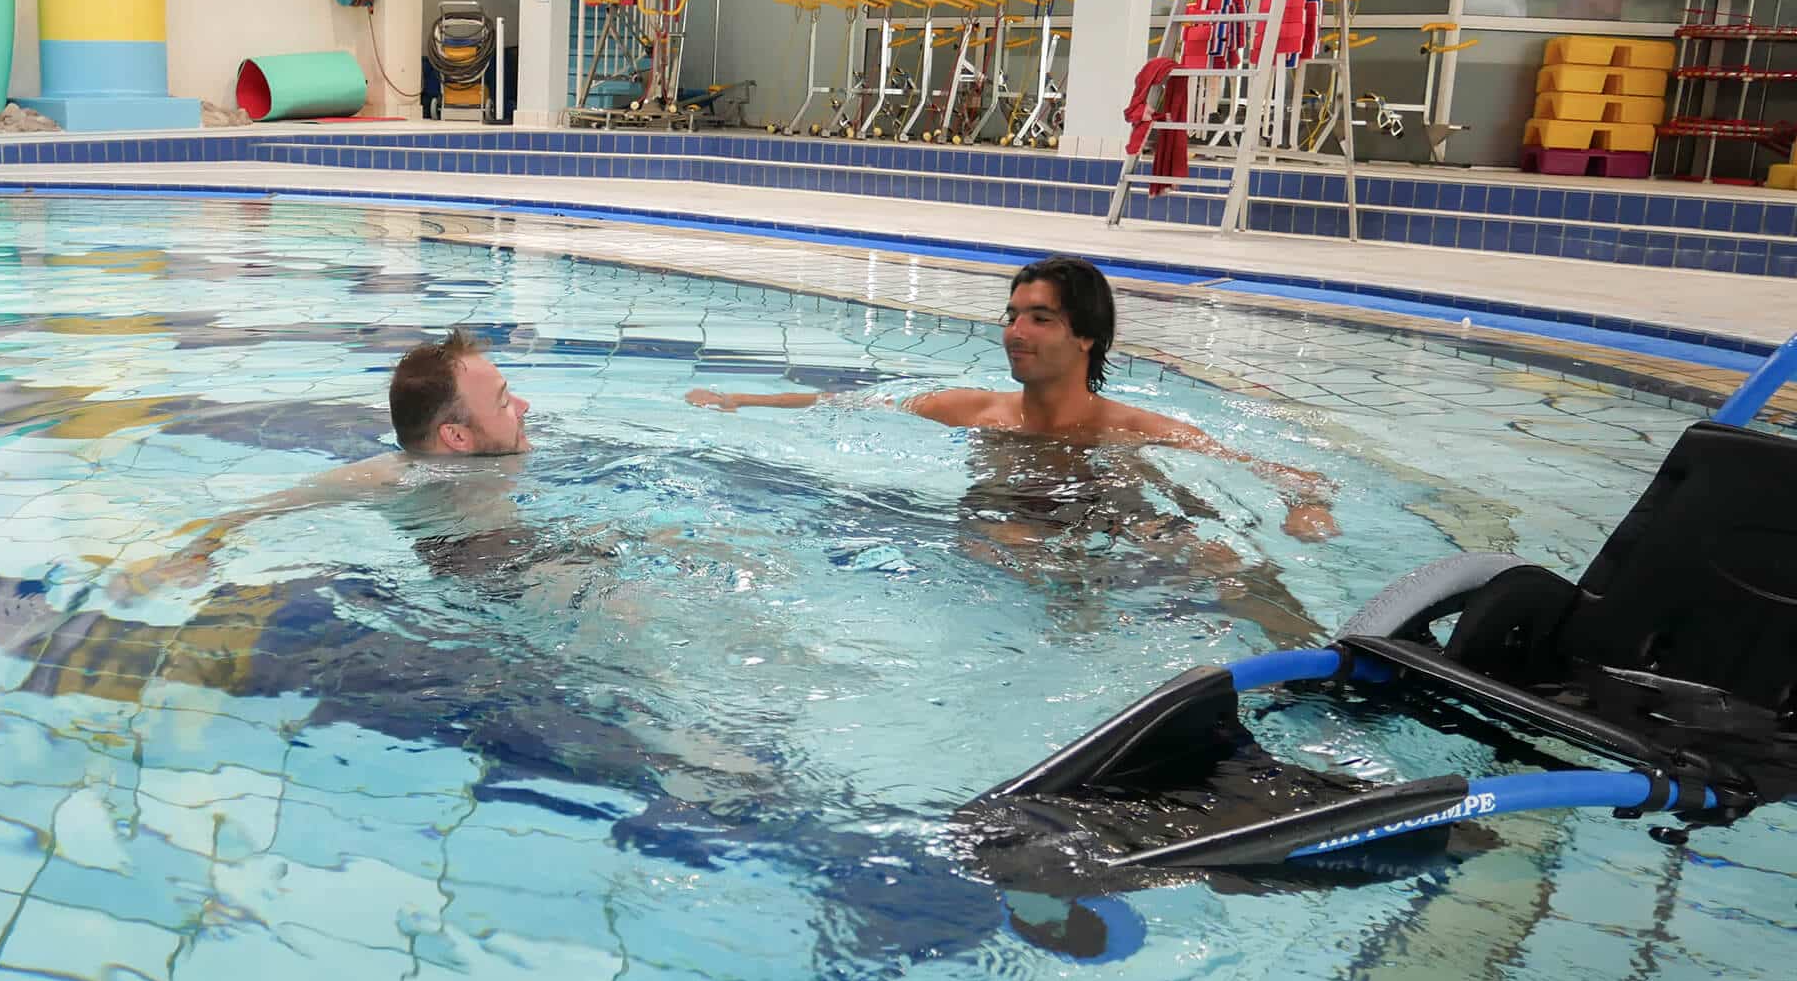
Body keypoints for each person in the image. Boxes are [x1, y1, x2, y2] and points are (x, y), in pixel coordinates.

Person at [687, 255, 1340, 543]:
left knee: (1215, 554)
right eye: (1012, 315)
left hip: (1116, 524)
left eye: (1039, 319)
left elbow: (1291, 475)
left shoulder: (1133, 429)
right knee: (1004, 537)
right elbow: (852, 406)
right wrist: (740, 400)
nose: (1014, 332)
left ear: (1086, 337)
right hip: (1006, 534)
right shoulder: (975, 410)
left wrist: (1305, 510)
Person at [113, 327, 531, 596]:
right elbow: (259, 510)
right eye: (503, 402)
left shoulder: (490, 457)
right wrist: (191, 556)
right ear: (455, 437)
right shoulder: (395, 475)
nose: (523, 406)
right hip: (491, 576)